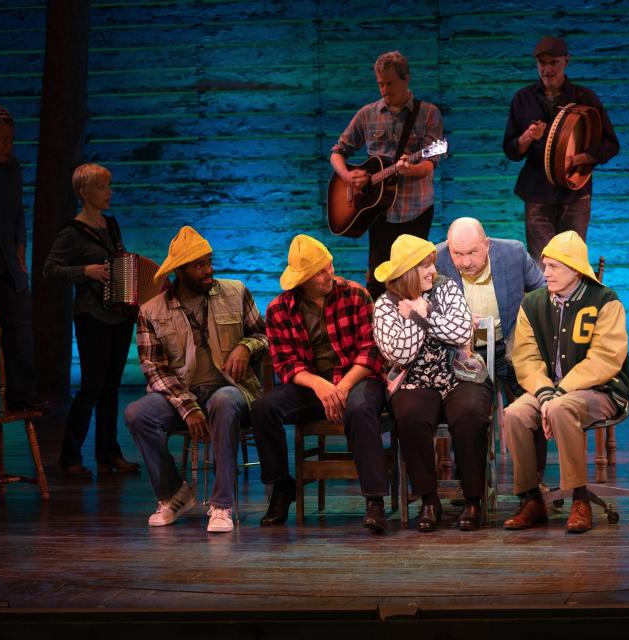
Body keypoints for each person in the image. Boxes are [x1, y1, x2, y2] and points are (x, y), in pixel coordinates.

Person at [124, 226, 267, 533]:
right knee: (137, 414)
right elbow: (155, 369)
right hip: (181, 394)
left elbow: (263, 334)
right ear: (180, 271)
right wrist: (188, 406)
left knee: (224, 402)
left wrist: (245, 346)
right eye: (199, 265)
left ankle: (222, 505)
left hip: (229, 388)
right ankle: (174, 494)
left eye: (209, 262)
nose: (208, 270)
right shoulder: (152, 310)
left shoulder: (235, 291)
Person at [251, 235, 389, 532]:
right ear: (302, 280)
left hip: (357, 378)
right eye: (321, 272)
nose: (331, 275)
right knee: (263, 407)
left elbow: (371, 350)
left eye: (330, 267)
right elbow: (285, 364)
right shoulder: (278, 310)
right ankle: (280, 486)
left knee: (361, 407)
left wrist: (341, 387)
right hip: (313, 386)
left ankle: (374, 499)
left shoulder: (355, 295)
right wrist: (320, 385)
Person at [503, 230, 629, 534]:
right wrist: (547, 394)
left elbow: (605, 358)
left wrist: (558, 394)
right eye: (544, 265)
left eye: (553, 267)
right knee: (515, 414)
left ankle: (579, 498)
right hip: (547, 390)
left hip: (600, 390)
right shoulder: (532, 304)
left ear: (574, 269)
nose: (545, 273)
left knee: (562, 408)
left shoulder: (605, 300)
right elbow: (525, 357)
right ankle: (531, 499)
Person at [372, 234, 493, 532]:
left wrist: (423, 314)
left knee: (470, 414)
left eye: (431, 264)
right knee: (409, 416)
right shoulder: (385, 306)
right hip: (415, 382)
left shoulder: (446, 288)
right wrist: (416, 318)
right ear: (407, 272)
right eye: (424, 266)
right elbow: (401, 353)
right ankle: (429, 499)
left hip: (458, 374)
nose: (432, 271)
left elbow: (460, 330)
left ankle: (473, 498)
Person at [44, 163, 139, 479]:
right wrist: (84, 271)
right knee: (91, 387)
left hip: (117, 314)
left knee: (111, 387)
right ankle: (70, 456)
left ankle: (108, 453)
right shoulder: (71, 233)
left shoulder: (110, 226)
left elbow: (119, 260)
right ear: (85, 192)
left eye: (109, 185)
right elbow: (51, 269)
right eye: (102, 186)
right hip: (91, 315)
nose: (109, 192)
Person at [330, 50, 444, 301]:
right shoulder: (367, 114)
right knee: (379, 277)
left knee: (413, 277)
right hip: (380, 211)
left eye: (390, 83)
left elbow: (430, 163)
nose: (384, 89)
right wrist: (348, 177)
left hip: (416, 209)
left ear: (406, 79)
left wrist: (410, 169)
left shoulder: (428, 113)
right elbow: (337, 153)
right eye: (380, 84)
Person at [502, 36, 620, 261]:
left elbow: (611, 144)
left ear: (566, 61)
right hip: (537, 192)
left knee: (572, 262)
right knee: (542, 263)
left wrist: (579, 159)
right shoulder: (523, 98)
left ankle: (574, 298)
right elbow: (510, 149)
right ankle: (546, 299)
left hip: (575, 192)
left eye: (553, 63)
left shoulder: (584, 97)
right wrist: (526, 138)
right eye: (542, 64)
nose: (547, 69)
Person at [435, 217, 545, 396]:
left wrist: (527, 331)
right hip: (459, 355)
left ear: (486, 244)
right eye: (458, 254)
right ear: (449, 247)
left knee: (532, 403)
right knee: (470, 406)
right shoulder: (436, 260)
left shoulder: (513, 253)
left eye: (472, 252)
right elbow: (424, 309)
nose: (466, 262)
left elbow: (543, 293)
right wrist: (453, 321)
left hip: (509, 348)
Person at [0, 103, 37, 410]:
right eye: (3, 140)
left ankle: (22, 395)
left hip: (6, 261)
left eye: (11, 140)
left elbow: (18, 212)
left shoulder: (12, 170)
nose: (9, 146)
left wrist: (21, 246)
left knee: (21, 326)